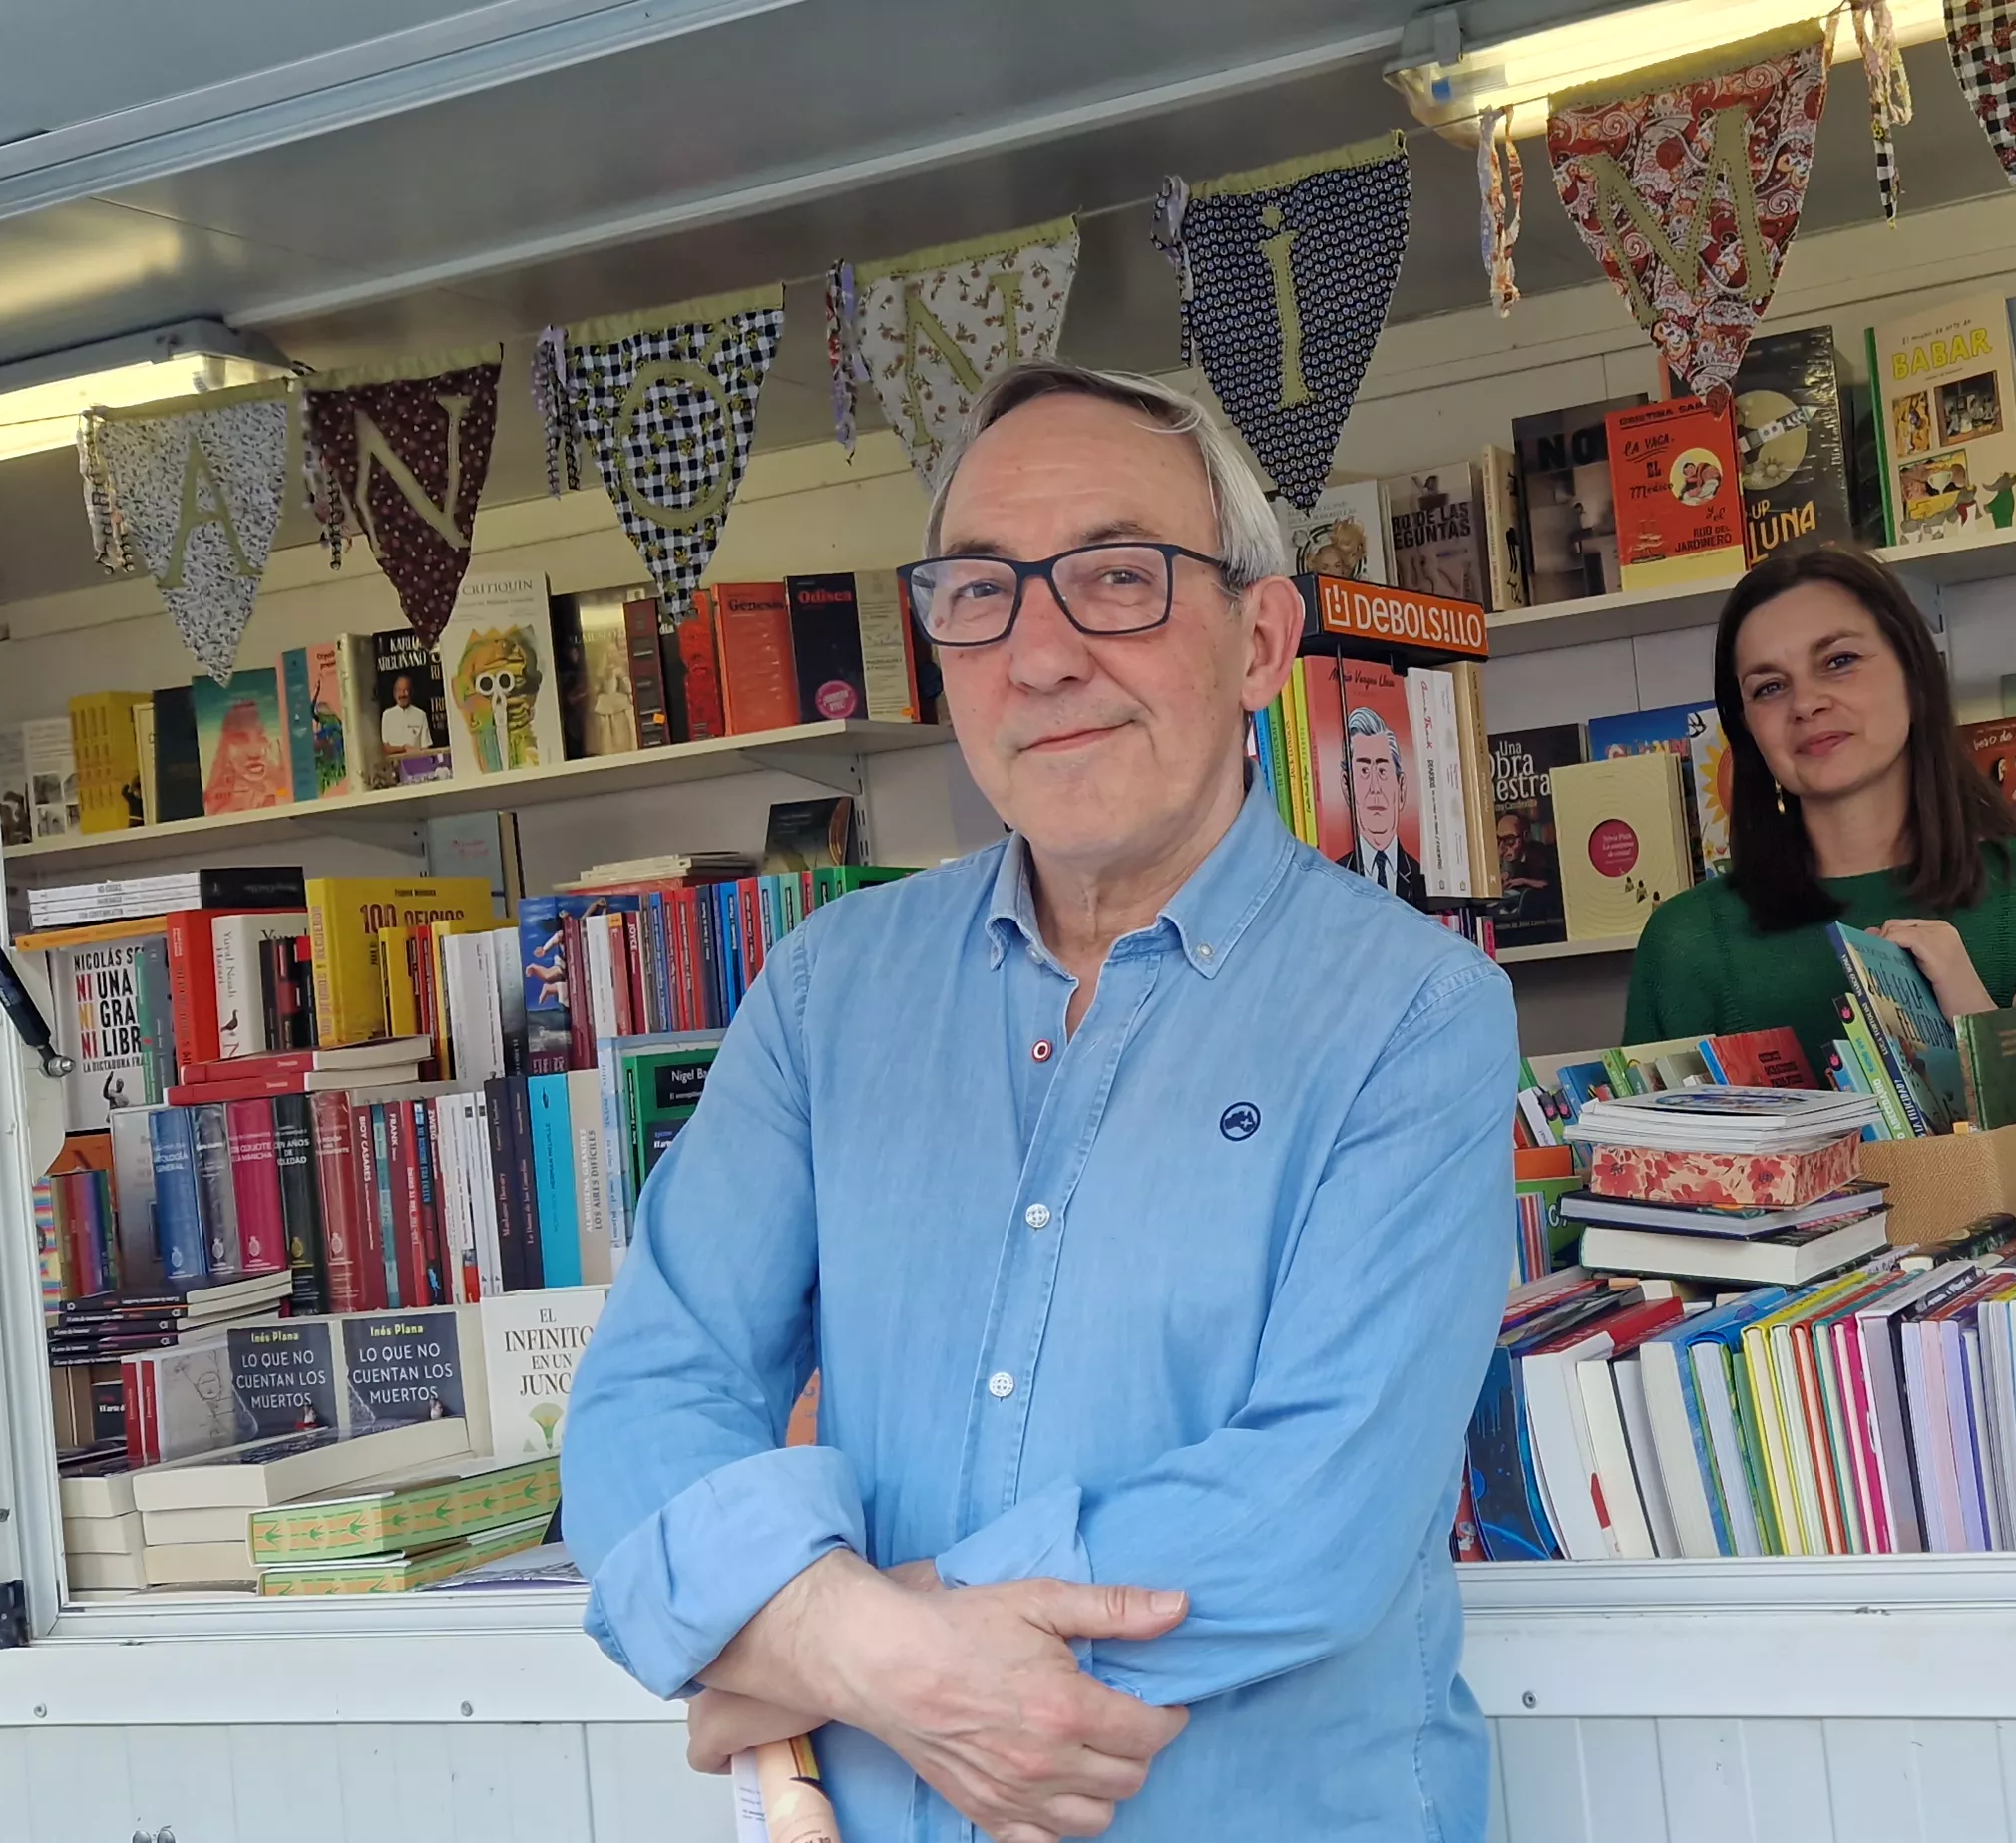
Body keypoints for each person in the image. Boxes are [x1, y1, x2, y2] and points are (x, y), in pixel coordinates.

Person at [564, 363, 1516, 1843]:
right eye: (981, 595)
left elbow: (1314, 1512)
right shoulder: (828, 992)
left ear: (1262, 639)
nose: (1043, 655)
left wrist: (802, 1631)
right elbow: (646, 1404)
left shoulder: (1417, 1010)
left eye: (1119, 581)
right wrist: (876, 1656)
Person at [1622, 547, 2016, 1147]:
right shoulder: (1687, 942)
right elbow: (1651, 1203)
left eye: (1840, 660)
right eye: (1769, 687)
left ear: (1913, 673)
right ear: (1745, 727)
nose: (1806, 704)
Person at [1339, 705, 1427, 905]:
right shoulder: (1334, 877)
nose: (1374, 787)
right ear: (1346, 787)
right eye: (1363, 771)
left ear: (1401, 787)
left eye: (1382, 771)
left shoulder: (1424, 877)